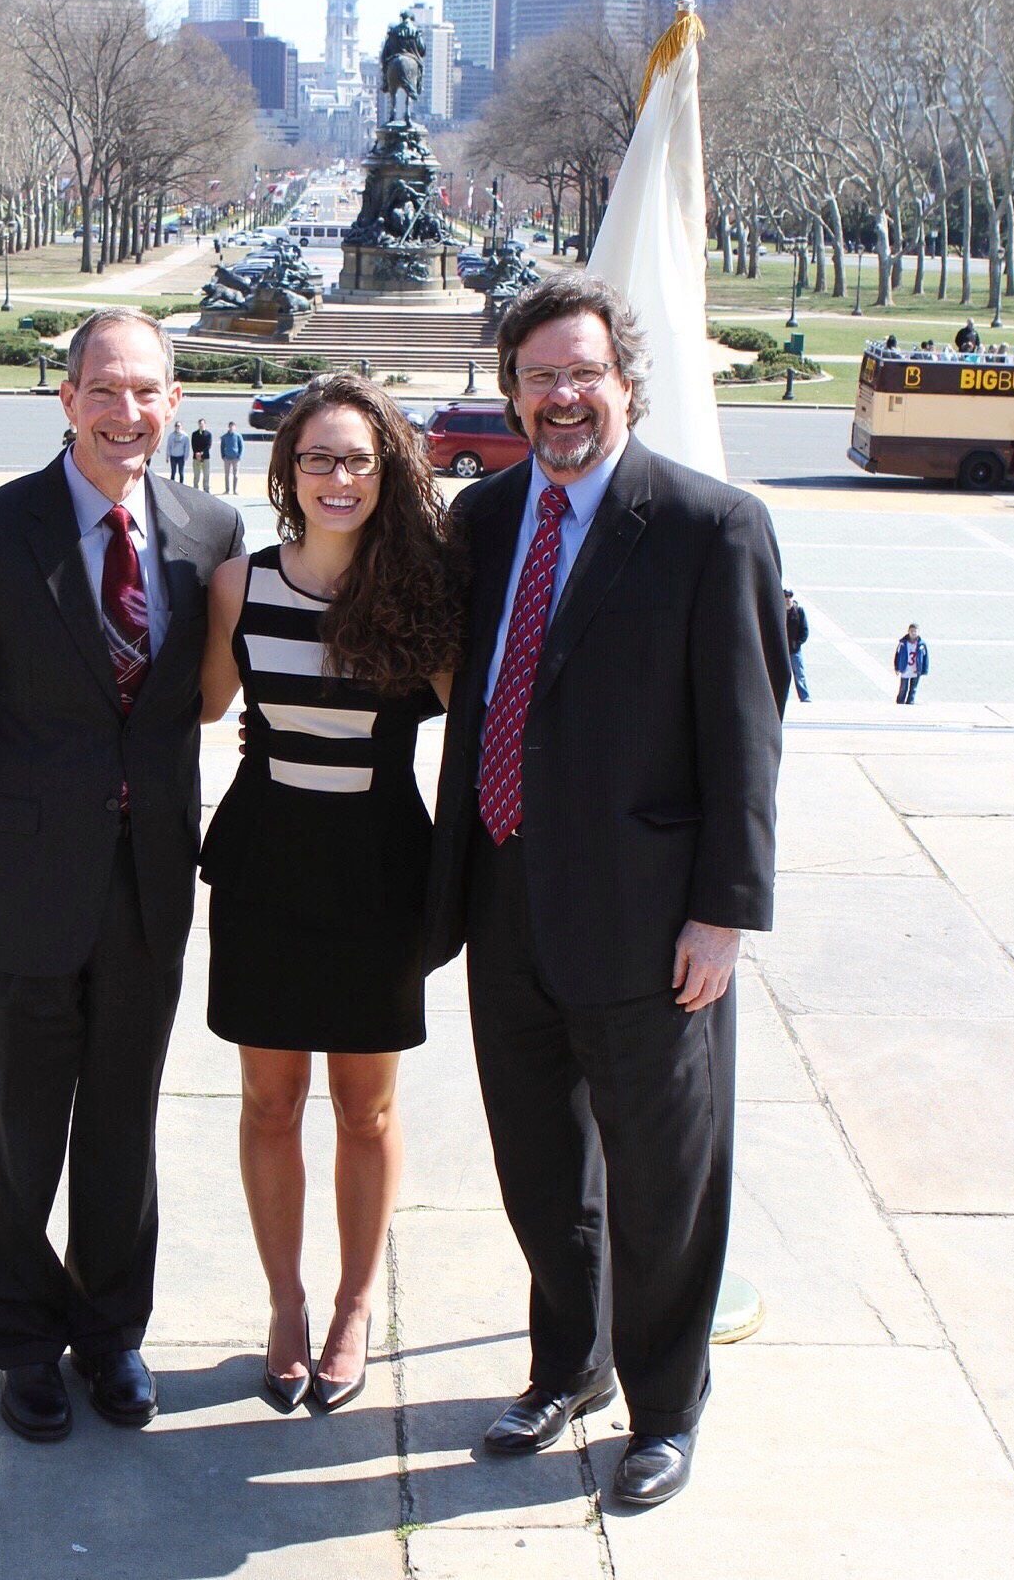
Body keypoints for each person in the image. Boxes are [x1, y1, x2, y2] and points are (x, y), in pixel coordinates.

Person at [424, 271, 788, 1510]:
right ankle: (565, 1364)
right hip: (504, 899)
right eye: (537, 377)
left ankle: (666, 1407)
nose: (561, 396)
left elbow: (748, 732)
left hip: (652, 921)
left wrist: (726, 910)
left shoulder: (708, 526)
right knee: (539, 1164)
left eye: (583, 373)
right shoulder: (480, 521)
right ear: (512, 390)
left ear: (626, 380)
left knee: (663, 1175)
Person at [0, 309, 245, 1445]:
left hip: (149, 886)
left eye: (147, 390)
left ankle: (111, 1332)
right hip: (14, 892)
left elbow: (209, 697)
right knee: (12, 1131)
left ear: (176, 402)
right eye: (104, 389)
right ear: (67, 399)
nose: (126, 411)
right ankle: (24, 1342)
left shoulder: (209, 533)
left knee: (120, 1125)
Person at [199, 375, 464, 1416]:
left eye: (358, 458)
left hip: (379, 874)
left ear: (386, 471)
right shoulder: (238, 587)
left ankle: (356, 1303)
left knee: (367, 1104)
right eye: (319, 457)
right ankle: (284, 1301)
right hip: (266, 867)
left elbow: (484, 716)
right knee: (270, 1100)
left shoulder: (420, 596)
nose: (338, 476)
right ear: (288, 470)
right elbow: (204, 704)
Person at [785, 587, 811, 701]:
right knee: (784, 676)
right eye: (785, 596)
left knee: (799, 674)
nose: (788, 599)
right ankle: (784, 698)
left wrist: (798, 643)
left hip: (795, 650)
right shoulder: (779, 611)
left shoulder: (799, 611)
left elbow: (804, 630)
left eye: (790, 596)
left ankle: (805, 697)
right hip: (783, 650)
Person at [895, 623, 928, 704]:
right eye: (911, 631)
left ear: (918, 632)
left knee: (913, 689)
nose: (913, 633)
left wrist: (924, 670)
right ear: (908, 631)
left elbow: (925, 657)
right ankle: (900, 702)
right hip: (905, 669)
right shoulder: (903, 643)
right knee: (903, 688)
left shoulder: (921, 645)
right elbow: (897, 655)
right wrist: (897, 668)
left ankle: (910, 703)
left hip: (916, 670)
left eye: (915, 631)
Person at [220, 421, 244, 495]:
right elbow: (222, 447)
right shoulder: (225, 436)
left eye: (233, 426)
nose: (231, 428)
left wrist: (239, 456)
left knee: (236, 475)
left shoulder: (238, 436)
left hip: (235, 458)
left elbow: (241, 446)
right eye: (230, 426)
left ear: (235, 427)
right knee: (227, 475)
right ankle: (227, 490)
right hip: (227, 458)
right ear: (228, 427)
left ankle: (235, 490)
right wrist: (223, 456)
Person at [191, 418, 213, 493]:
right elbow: (193, 444)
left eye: (202, 424)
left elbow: (209, 445)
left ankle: (206, 489)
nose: (201, 425)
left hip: (205, 458)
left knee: (206, 474)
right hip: (196, 458)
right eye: (200, 424)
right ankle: (195, 488)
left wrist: (202, 453)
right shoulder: (195, 434)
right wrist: (196, 453)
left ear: (204, 424)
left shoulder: (208, 434)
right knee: (196, 474)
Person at [166, 418, 190, 484]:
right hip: (173, 456)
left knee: (181, 472)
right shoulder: (171, 436)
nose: (177, 427)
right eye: (176, 426)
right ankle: (172, 485)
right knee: (173, 472)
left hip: (181, 456)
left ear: (181, 427)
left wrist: (186, 456)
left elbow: (187, 447)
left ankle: (181, 485)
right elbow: (169, 446)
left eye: (179, 426)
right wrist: (167, 456)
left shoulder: (185, 436)